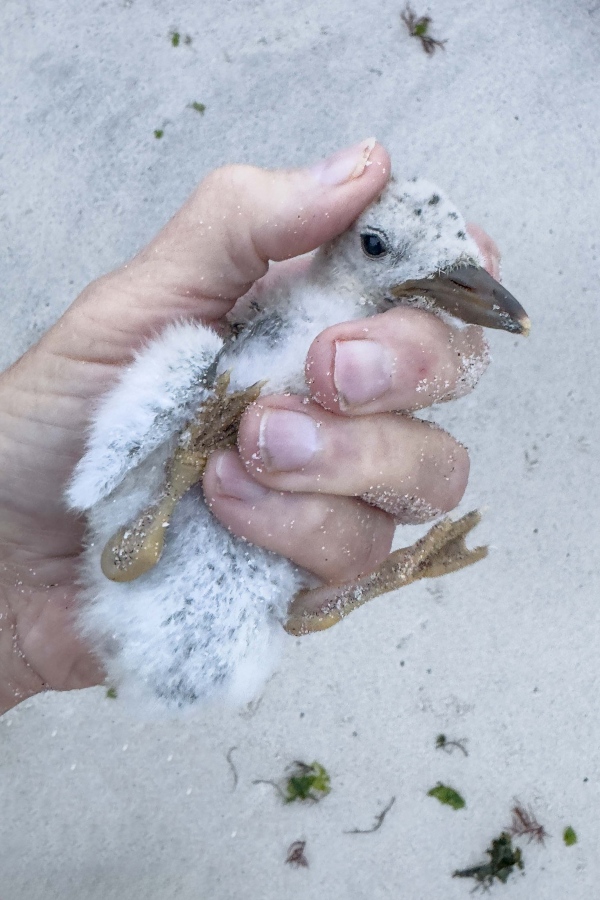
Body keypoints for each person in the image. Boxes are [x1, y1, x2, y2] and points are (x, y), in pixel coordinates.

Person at [0, 139, 498, 715]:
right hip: (125, 570)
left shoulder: (358, 362)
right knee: (190, 367)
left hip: (184, 630)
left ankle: (379, 574)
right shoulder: (255, 329)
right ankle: (168, 503)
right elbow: (97, 482)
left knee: (290, 581)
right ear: (342, 246)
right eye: (378, 247)